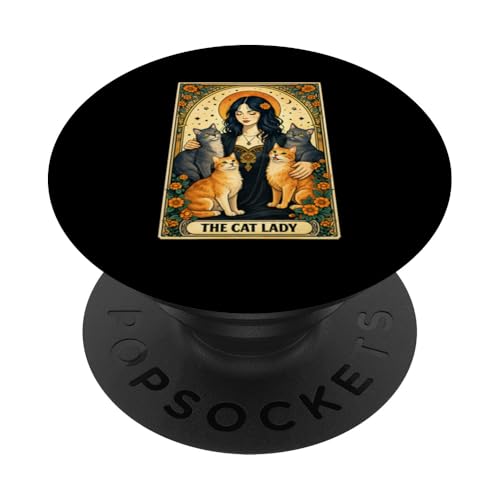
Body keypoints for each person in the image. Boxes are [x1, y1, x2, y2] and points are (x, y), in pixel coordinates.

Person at [182, 95, 324, 219]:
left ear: (263, 113)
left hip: (269, 201)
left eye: (252, 112)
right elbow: (199, 159)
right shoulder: (223, 139)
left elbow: (312, 152)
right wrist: (191, 148)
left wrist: (309, 162)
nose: (245, 117)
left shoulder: (279, 139)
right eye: (239, 113)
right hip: (227, 200)